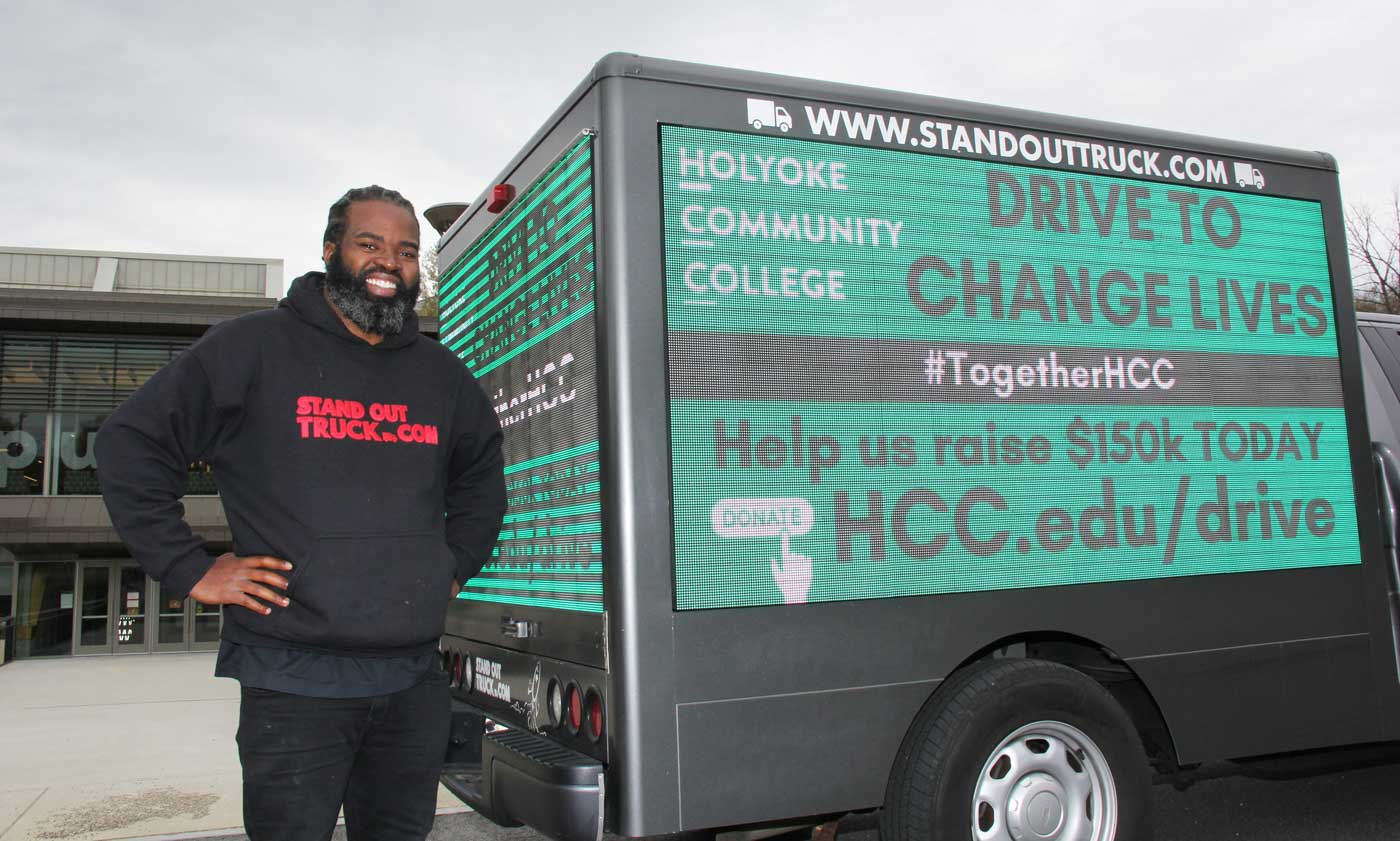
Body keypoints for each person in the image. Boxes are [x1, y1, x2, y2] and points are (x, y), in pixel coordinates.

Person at [97, 185, 507, 841]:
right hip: (291, 682)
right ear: (330, 250)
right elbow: (130, 442)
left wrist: (448, 565)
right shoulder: (252, 348)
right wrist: (188, 567)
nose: (389, 262)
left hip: (411, 680)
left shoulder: (441, 374)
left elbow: (483, 475)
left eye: (405, 251)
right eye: (369, 243)